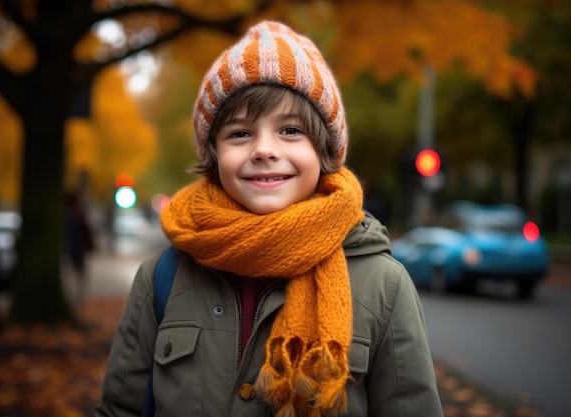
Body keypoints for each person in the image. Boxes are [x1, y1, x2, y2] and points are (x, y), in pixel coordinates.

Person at [96, 20, 443, 417]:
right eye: (240, 134)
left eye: (290, 130)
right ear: (213, 155)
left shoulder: (385, 285)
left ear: (324, 152)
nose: (263, 149)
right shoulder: (163, 278)